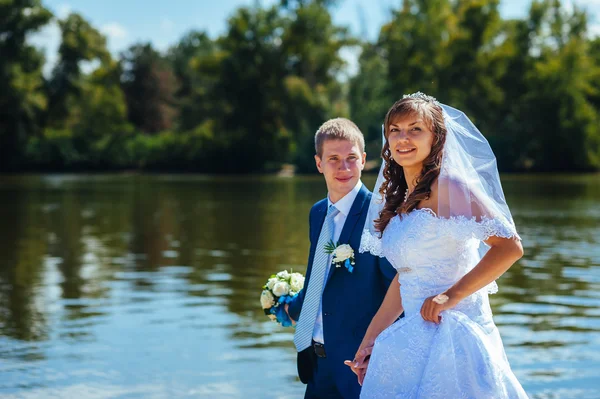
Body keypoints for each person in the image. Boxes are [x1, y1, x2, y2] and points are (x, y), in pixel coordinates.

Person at [348, 93, 529, 398]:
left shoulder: (451, 186)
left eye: (415, 129)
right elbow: (406, 276)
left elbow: (510, 247)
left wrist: (451, 295)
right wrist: (369, 343)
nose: (403, 138)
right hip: (411, 338)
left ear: (436, 137)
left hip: (455, 337)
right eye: (395, 130)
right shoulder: (398, 197)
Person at [285, 118, 398, 399]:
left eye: (351, 158)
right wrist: (292, 307)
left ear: (363, 160)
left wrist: (378, 352)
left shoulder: (381, 217)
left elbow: (400, 291)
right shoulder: (317, 212)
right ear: (319, 163)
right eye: (333, 159)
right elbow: (318, 278)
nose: (344, 168)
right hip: (317, 363)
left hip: (360, 367)